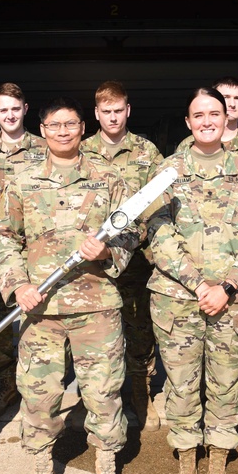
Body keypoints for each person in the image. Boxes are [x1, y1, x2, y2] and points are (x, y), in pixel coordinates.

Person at [0, 97, 138, 474]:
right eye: (54, 125)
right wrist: (18, 285)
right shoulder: (21, 180)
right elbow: (6, 237)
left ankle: (106, 468)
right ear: (42, 129)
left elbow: (132, 233)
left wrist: (108, 252)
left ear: (81, 128)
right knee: (39, 395)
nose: (62, 131)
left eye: (70, 124)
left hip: (96, 307)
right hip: (40, 308)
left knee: (103, 392)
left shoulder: (107, 177)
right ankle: (41, 468)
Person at [146, 87, 238, 474]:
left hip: (234, 301)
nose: (206, 121)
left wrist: (228, 285)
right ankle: (186, 461)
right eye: (198, 115)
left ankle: (217, 461)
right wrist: (199, 284)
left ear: (226, 118)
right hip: (178, 299)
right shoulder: (167, 172)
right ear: (187, 122)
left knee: (225, 384)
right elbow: (158, 233)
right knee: (181, 385)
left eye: (214, 114)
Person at [79, 80, 164, 431]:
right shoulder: (80, 150)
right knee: (95, 336)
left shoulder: (147, 152)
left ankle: (142, 395)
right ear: (96, 113)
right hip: (96, 261)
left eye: (118, 111)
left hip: (138, 257)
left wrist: (134, 239)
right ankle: (97, 403)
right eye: (106, 112)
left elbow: (158, 205)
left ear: (128, 111)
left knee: (140, 328)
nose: (113, 117)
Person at [0, 83, 48, 422]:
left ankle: (40, 390)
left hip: (39, 254)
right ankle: (3, 384)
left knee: (42, 321)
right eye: (3, 109)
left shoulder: (45, 149)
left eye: (15, 108)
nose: (10, 115)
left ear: (25, 108)